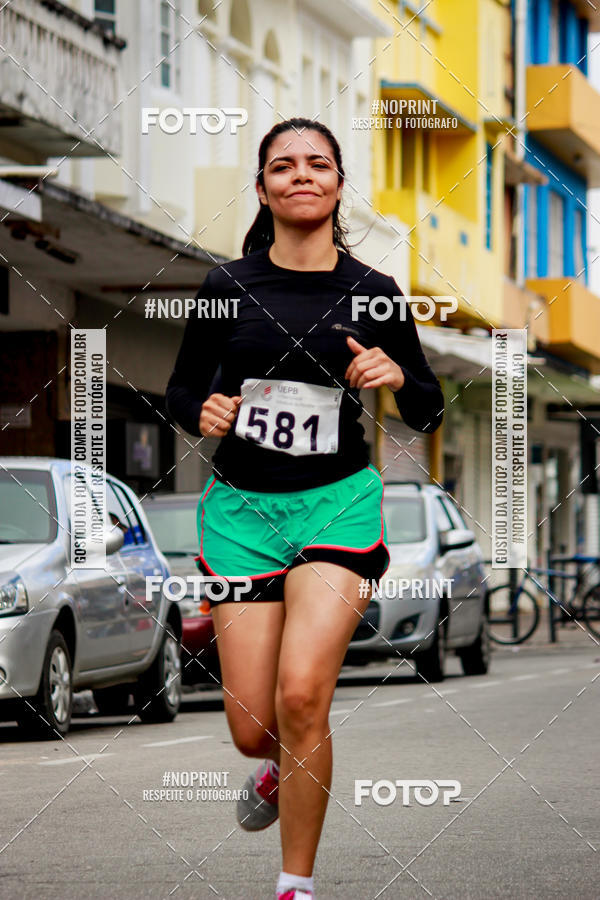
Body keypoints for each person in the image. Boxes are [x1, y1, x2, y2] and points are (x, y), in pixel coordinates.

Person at [165, 117, 444, 900]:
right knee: (254, 727)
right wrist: (204, 413)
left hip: (337, 509)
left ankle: (295, 885)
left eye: (318, 164)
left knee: (301, 699)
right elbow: (184, 388)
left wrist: (397, 376)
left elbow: (427, 407)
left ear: (337, 185)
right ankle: (273, 772)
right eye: (283, 166)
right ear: (263, 189)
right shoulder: (227, 287)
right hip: (243, 514)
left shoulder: (374, 294)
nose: (301, 175)